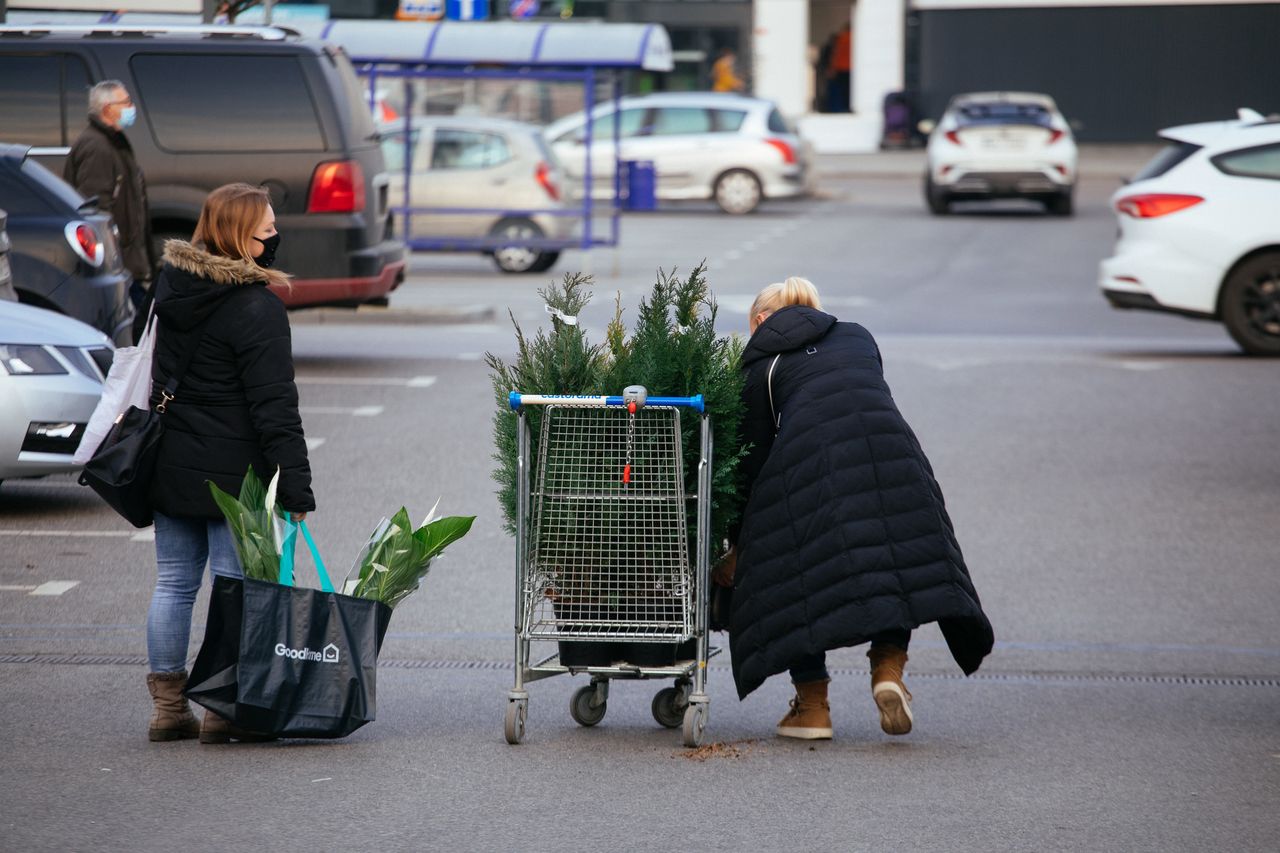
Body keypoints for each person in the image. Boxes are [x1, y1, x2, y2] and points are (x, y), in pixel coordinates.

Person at [714, 277, 993, 740]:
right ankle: (888, 669)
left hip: (809, 466)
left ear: (761, 320)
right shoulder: (858, 334)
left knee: (788, 576)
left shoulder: (760, 366)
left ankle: (813, 707)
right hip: (895, 457)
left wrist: (743, 543)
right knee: (898, 557)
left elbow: (754, 457)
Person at [142, 183, 314, 744]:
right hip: (233, 474)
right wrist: (295, 485)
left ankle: (168, 709)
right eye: (266, 231)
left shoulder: (172, 288)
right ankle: (221, 708)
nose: (275, 238)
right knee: (233, 583)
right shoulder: (256, 308)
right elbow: (274, 407)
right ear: (240, 236)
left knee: (173, 583)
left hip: (172, 459)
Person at [64, 80, 156, 328]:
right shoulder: (97, 147)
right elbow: (94, 209)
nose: (131, 107)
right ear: (107, 109)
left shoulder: (113, 142)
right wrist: (113, 259)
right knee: (136, 330)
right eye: (125, 102)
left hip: (124, 265)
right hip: (117, 266)